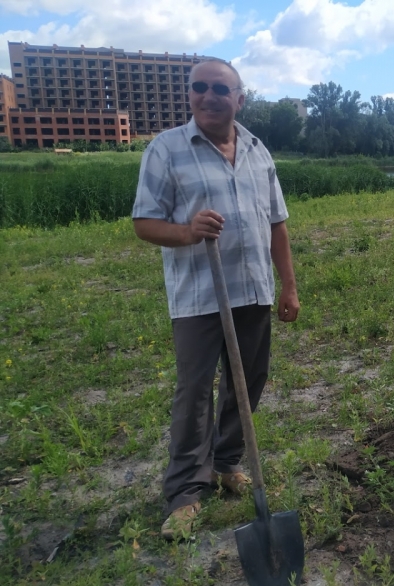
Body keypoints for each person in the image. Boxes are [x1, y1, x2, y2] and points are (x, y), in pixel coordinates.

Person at [131, 58, 299, 540]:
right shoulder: (166, 150)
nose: (209, 96)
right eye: (200, 87)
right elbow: (144, 222)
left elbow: (277, 222)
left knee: (248, 382)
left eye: (220, 89)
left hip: (252, 289)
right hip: (199, 297)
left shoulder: (257, 149)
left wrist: (287, 285)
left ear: (239, 99)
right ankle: (186, 492)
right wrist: (186, 231)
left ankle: (225, 463)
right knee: (194, 392)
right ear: (190, 96)